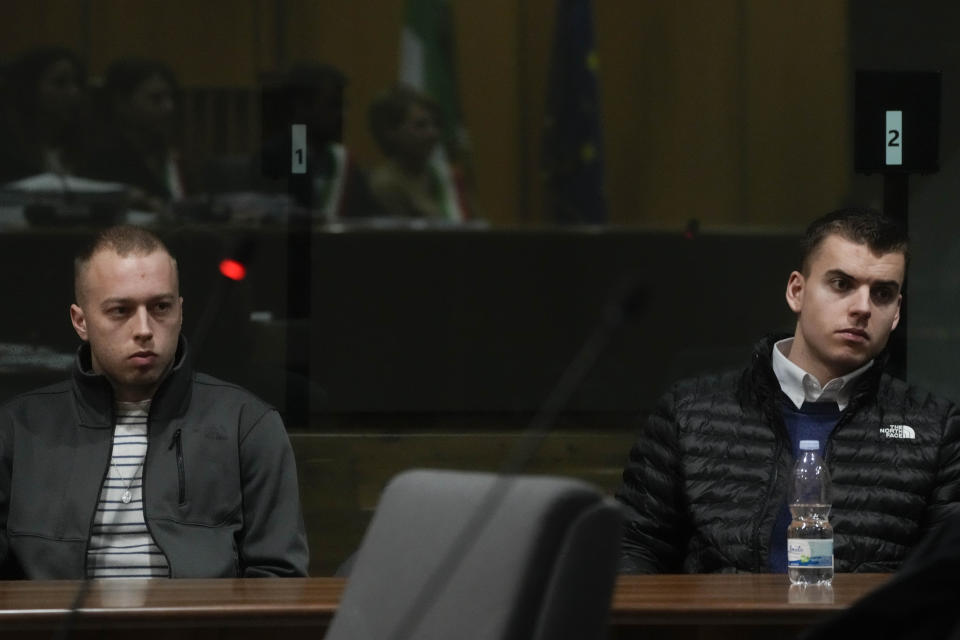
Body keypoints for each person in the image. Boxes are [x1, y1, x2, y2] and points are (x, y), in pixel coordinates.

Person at [616, 207, 960, 574]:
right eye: (841, 284)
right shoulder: (691, 412)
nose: (862, 308)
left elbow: (946, 574)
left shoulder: (933, 427)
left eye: (882, 293)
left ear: (896, 314)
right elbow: (633, 546)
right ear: (797, 291)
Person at [0, 225, 309, 578]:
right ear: (81, 321)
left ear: (180, 312)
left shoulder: (246, 424)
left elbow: (279, 576)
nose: (144, 328)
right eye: (120, 311)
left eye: (160, 307)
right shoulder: (17, 429)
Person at [83, 58, 191, 214]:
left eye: (171, 98)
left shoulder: (168, 152)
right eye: (156, 98)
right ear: (121, 102)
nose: (169, 107)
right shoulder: (100, 157)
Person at [367, 84, 469, 221]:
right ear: (390, 131)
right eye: (421, 125)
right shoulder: (385, 186)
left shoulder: (449, 178)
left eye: (436, 124)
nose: (433, 133)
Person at [0, 46, 88, 184]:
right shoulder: (7, 150)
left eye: (78, 83)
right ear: (29, 89)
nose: (74, 92)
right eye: (60, 83)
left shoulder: (86, 145)